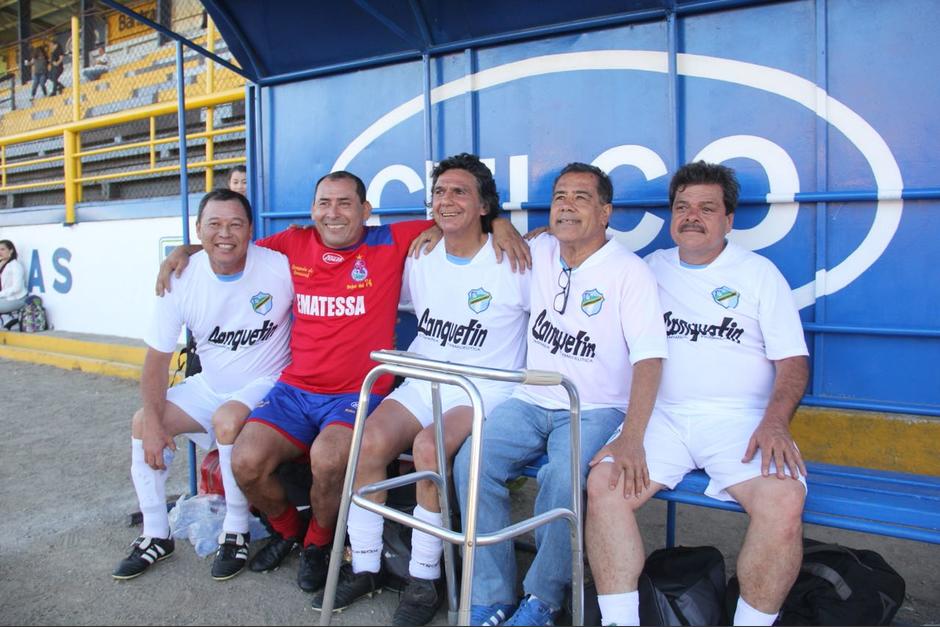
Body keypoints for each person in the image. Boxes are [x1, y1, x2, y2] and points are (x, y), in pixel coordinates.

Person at [156, 171, 530, 598]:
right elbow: (228, 248)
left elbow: (458, 223)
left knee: (331, 458)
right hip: (295, 388)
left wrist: (500, 223)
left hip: (356, 392)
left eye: (345, 203)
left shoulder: (392, 241)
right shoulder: (291, 245)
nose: (333, 213)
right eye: (324, 203)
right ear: (312, 209)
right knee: (244, 461)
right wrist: (186, 251)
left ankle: (319, 545)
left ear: (366, 211)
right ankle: (290, 531)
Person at [585, 161, 809, 627]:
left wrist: (775, 421)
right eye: (683, 207)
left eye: (707, 208)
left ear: (729, 219)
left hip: (739, 421)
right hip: (660, 417)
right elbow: (577, 243)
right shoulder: (646, 270)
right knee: (603, 487)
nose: (692, 216)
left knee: (784, 499)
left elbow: (793, 361)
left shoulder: (758, 273)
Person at [310, 154, 531, 624]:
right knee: (365, 441)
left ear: (484, 204)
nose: (446, 201)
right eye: (439, 193)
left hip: (482, 388)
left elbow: (569, 251)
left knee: (429, 448)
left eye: (459, 192)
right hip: (425, 378)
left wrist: (505, 225)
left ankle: (424, 576)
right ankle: (367, 563)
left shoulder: (514, 259)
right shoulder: (422, 253)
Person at [453, 162, 668, 626]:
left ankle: (543, 600)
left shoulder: (630, 271)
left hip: (594, 409)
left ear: (606, 211)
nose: (566, 206)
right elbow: (465, 237)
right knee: (471, 464)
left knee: (563, 479)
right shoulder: (538, 249)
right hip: (532, 400)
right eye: (559, 197)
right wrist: (497, 222)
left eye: (581, 197)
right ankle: (492, 594)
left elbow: (649, 360)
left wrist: (631, 436)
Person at [111, 189, 293, 582]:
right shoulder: (180, 277)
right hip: (211, 383)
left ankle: (236, 530)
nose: (224, 233)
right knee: (144, 421)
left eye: (235, 224)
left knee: (227, 419)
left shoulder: (278, 266)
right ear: (198, 229)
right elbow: (156, 362)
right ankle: (157, 534)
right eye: (214, 224)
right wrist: (158, 425)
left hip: (266, 381)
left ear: (251, 230)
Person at [0, 239, 28, 315]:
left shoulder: (15, 265)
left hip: (17, 299)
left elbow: (17, 288)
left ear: (11, 250)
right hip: (4, 297)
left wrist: (1, 294)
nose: (0, 252)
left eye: (2, 249)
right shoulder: (2, 264)